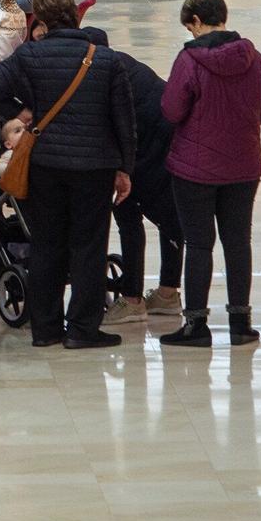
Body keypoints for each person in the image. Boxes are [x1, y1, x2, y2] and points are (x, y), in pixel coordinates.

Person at [0, 0, 135, 349]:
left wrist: (24, 107)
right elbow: (124, 120)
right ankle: (82, 330)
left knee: (47, 245)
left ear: (41, 21)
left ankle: (45, 329)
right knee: (89, 247)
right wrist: (125, 169)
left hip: (45, 165)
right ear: (76, 17)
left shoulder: (31, 55)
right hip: (94, 168)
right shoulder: (105, 60)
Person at [157, 0, 261, 348]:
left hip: (195, 170)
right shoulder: (255, 59)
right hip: (244, 166)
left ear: (195, 21)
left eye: (189, 27)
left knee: (199, 244)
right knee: (239, 242)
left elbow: (172, 111)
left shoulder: (189, 61)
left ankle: (196, 326)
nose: (189, 34)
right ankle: (241, 322)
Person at [100, 47, 183, 326]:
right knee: (169, 216)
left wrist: (121, 169)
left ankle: (134, 300)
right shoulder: (121, 62)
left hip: (147, 145)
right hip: (168, 137)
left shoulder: (100, 75)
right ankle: (167, 294)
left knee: (128, 214)